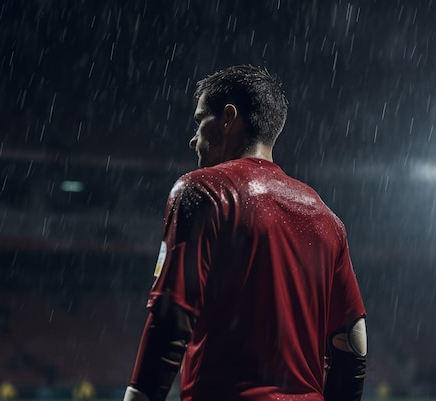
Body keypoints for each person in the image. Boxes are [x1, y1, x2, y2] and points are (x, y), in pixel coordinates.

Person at [123, 65, 367, 401]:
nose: (193, 138)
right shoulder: (328, 220)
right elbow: (352, 341)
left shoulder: (202, 190)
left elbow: (171, 316)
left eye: (199, 121)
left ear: (227, 118)